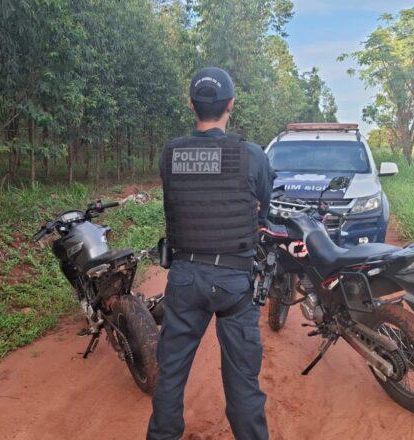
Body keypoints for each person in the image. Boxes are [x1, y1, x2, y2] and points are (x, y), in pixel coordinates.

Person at [147, 67, 273, 440]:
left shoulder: (170, 155)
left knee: (170, 374)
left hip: (185, 278)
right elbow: (265, 209)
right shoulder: (250, 155)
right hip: (235, 281)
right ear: (231, 104)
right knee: (243, 385)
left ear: (191, 105)